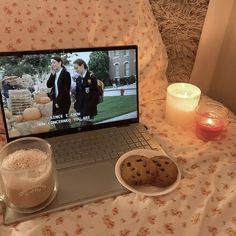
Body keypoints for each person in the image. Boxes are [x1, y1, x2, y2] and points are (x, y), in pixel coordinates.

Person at [46, 56, 71, 129]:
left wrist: (58, 102)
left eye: (54, 62)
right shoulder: (55, 74)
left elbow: (65, 90)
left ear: (60, 63)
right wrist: (52, 74)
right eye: (51, 63)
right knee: (63, 121)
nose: (52, 64)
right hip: (56, 101)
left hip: (63, 101)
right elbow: (48, 85)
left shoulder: (66, 74)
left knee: (57, 120)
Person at [73, 59, 99, 123]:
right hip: (80, 109)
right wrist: (76, 106)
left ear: (82, 65)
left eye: (76, 68)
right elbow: (78, 95)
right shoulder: (78, 79)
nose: (75, 70)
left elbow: (96, 95)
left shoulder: (91, 77)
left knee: (85, 126)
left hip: (89, 110)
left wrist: (89, 106)